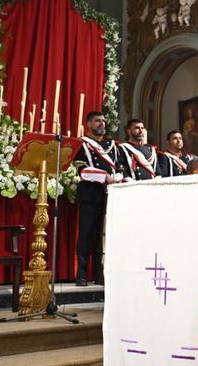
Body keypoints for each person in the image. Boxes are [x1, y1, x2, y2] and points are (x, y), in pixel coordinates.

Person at [73, 111, 121, 286]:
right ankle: (82, 275)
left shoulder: (112, 145)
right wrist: (106, 177)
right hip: (90, 193)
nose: (101, 124)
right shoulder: (81, 144)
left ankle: (100, 275)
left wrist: (118, 177)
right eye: (97, 121)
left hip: (110, 194)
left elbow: (120, 166)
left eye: (103, 121)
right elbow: (82, 170)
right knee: (86, 234)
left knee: (104, 236)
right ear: (88, 124)